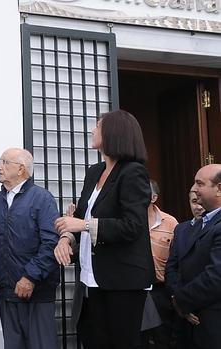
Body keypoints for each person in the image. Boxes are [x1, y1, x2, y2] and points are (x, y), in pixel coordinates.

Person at [53, 110, 154, 349]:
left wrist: (84, 225)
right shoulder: (94, 171)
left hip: (124, 278)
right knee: (94, 339)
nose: (92, 130)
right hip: (92, 276)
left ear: (113, 133)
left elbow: (133, 226)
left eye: (97, 126)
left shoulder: (133, 172)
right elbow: (79, 217)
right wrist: (65, 238)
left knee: (121, 342)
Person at [0, 148, 60, 349]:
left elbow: (51, 243)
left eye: (4, 162)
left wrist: (30, 277)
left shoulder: (42, 198)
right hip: (6, 291)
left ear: (21, 168)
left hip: (37, 293)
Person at [164, 164, 221, 349]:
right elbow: (177, 266)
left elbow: (216, 276)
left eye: (200, 183)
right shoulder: (195, 225)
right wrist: (178, 301)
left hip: (213, 322)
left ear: (219, 188)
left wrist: (181, 300)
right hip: (187, 323)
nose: (194, 190)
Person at [141, 180, 179, 349]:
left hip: (160, 289)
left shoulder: (170, 222)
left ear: (153, 197)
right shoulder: (128, 222)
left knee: (162, 338)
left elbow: (178, 259)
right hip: (134, 289)